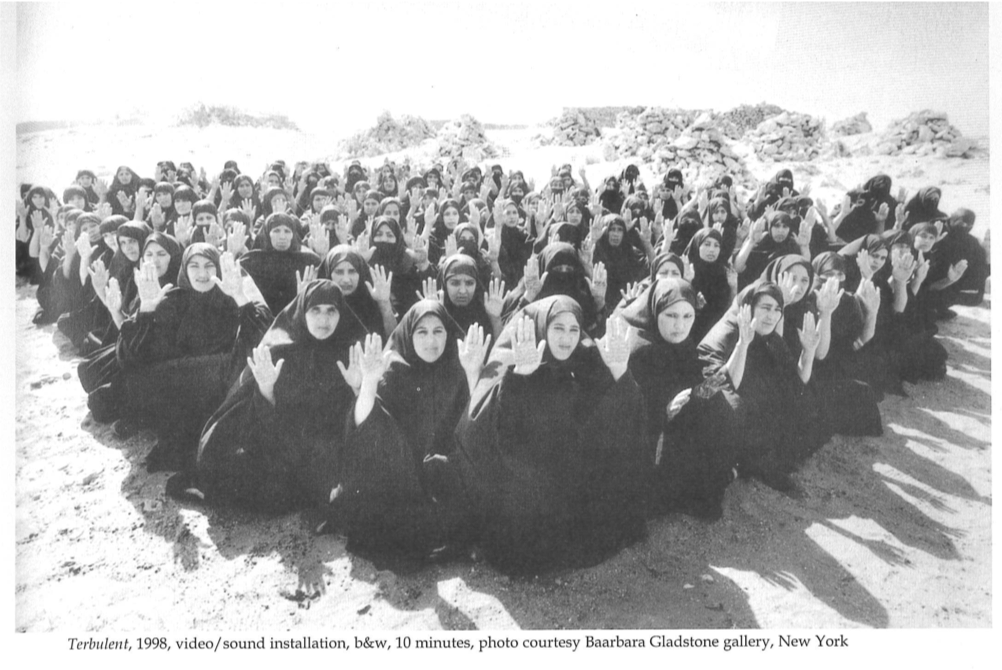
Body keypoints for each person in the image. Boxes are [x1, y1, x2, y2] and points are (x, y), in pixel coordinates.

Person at [454, 297, 647, 574]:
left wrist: (620, 373)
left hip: (572, 485)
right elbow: (482, 434)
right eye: (558, 328)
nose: (567, 338)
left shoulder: (587, 357)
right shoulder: (516, 356)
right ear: (542, 326)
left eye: (573, 329)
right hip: (524, 489)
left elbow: (621, 420)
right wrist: (520, 378)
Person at [332, 301, 487, 559]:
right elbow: (367, 428)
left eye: (438, 331)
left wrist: (473, 374)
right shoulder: (392, 371)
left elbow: (477, 428)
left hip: (446, 475)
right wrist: (369, 383)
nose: (431, 341)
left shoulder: (459, 367)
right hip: (402, 476)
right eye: (421, 332)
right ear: (408, 334)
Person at [193, 280, 364, 511]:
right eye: (315, 310)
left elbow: (362, 421)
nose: (324, 320)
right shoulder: (278, 349)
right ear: (302, 311)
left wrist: (358, 388)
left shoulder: (353, 351)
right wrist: (266, 388)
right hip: (283, 445)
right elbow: (251, 417)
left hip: (331, 447)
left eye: (331, 310)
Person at [113, 244, 272, 473]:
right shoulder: (175, 300)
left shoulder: (234, 297)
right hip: (186, 387)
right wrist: (146, 309)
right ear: (184, 270)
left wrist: (239, 296)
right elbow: (133, 355)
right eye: (194, 266)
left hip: (226, 387)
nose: (202, 273)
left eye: (209, 266)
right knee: (138, 379)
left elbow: (262, 338)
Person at [617, 278, 736, 519]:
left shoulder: (682, 341)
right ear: (655, 311)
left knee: (718, 406)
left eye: (687, 317)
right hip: (644, 438)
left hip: (674, 421)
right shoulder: (639, 350)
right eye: (671, 316)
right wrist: (664, 412)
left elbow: (689, 381)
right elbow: (627, 412)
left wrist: (702, 393)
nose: (679, 326)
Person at [697, 281, 825, 493]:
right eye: (765, 308)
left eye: (777, 310)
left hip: (761, 416)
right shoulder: (724, 336)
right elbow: (715, 388)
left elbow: (797, 383)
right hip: (727, 415)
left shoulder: (771, 339)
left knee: (810, 404)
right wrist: (743, 344)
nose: (772, 316)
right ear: (748, 307)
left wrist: (808, 351)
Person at [239, 212, 321, 315]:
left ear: (293, 234)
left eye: (287, 231)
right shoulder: (251, 261)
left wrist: (322, 254)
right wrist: (233, 251)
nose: (282, 236)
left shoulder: (309, 261)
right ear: (267, 233)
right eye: (276, 231)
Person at [318, 245, 396, 337]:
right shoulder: (318, 302)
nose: (346, 279)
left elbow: (395, 340)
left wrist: (384, 303)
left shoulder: (372, 299)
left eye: (352, 271)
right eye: (339, 272)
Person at [685, 228, 735, 343]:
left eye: (716, 245)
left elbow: (730, 311)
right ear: (697, 245)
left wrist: (733, 286)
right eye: (707, 244)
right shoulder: (687, 270)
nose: (712, 250)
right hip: (690, 334)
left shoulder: (724, 272)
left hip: (718, 334)